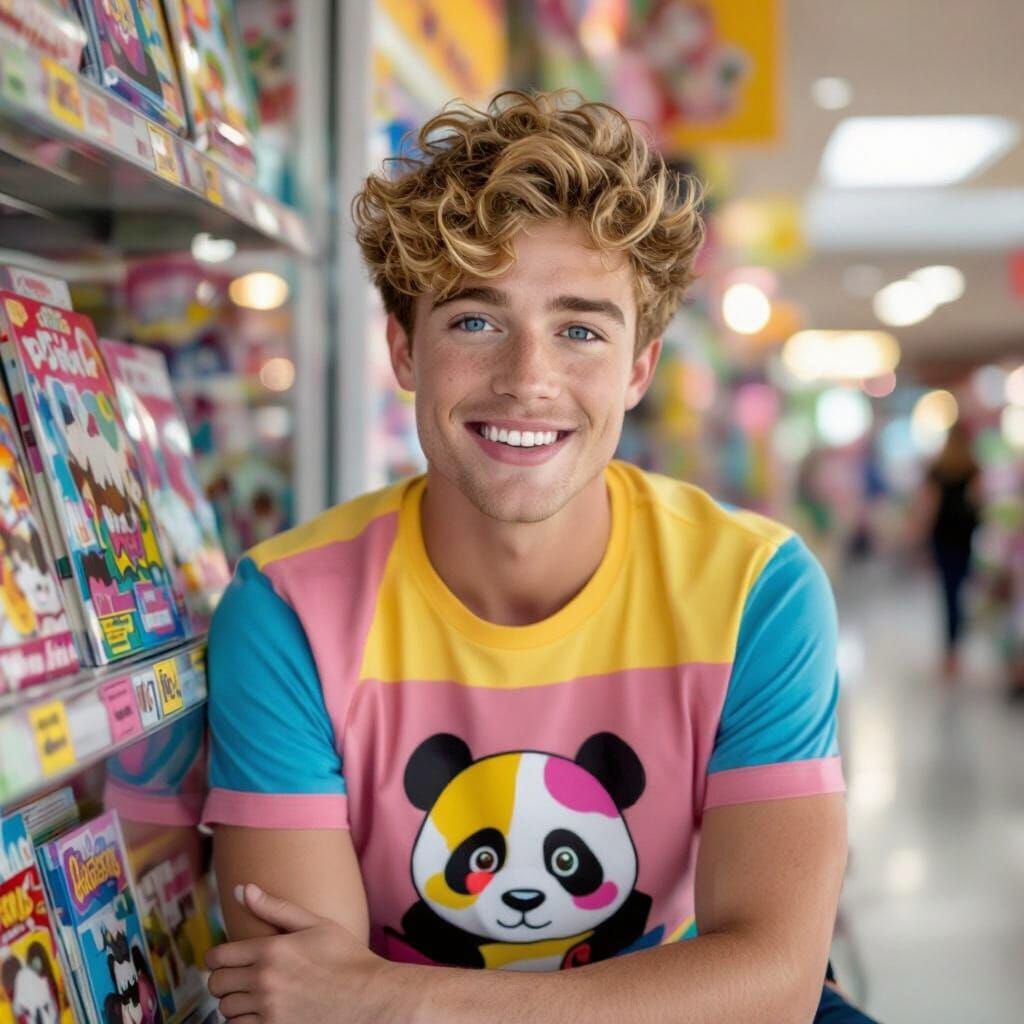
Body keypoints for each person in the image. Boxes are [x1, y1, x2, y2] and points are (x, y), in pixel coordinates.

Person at [201, 91, 877, 1023]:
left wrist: (398, 998)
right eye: (475, 322)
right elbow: (304, 1003)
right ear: (404, 347)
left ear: (639, 367)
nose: (528, 380)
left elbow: (773, 985)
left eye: (581, 330)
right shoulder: (288, 611)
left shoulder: (755, 590)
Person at [918, 422, 981, 678]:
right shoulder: (972, 468)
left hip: (944, 537)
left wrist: (921, 536)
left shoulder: (938, 469)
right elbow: (979, 500)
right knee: (961, 592)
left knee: (949, 594)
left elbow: (929, 506)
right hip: (965, 537)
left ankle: (951, 653)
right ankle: (957, 648)